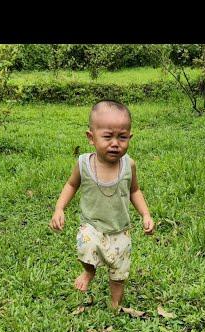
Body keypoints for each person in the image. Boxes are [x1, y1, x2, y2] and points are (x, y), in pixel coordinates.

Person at [50, 99, 154, 311]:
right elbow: (71, 185)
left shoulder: (129, 165)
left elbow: (135, 190)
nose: (115, 143)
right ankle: (89, 271)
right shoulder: (84, 164)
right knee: (85, 245)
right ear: (91, 137)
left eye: (122, 137)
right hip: (92, 225)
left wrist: (145, 214)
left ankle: (115, 303)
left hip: (120, 230)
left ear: (130, 137)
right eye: (107, 137)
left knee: (119, 271)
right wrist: (59, 208)